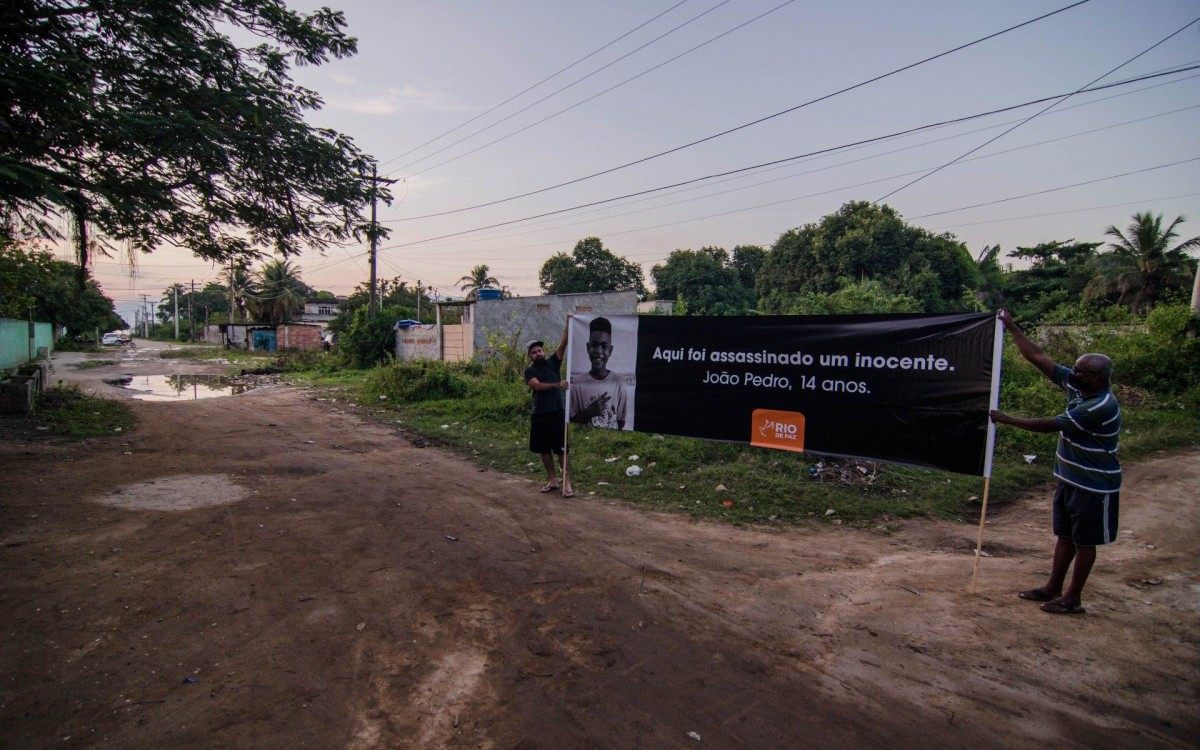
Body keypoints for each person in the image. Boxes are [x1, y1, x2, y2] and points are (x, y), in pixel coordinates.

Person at [990, 309, 1121, 615]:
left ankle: (1073, 597)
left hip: (1094, 484)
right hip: (1070, 478)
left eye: (1080, 370)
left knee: (1085, 541)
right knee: (1066, 535)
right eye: (1074, 368)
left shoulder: (1099, 405)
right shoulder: (1079, 385)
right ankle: (1053, 587)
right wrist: (1011, 326)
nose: (1072, 373)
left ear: (1098, 377)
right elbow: (1037, 357)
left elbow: (1052, 424)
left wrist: (1007, 419)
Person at [524, 325, 574, 497]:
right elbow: (537, 385)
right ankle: (553, 480)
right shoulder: (529, 371)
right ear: (530, 356)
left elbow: (563, 344)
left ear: (543, 352)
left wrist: (569, 324)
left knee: (562, 450)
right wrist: (557, 384)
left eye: (539, 350)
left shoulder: (553, 362)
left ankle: (567, 483)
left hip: (557, 412)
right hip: (539, 414)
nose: (538, 353)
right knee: (544, 450)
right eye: (534, 352)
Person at [570, 316, 630, 429]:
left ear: (610, 351)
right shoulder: (577, 385)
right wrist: (589, 412)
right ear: (588, 348)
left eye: (604, 346)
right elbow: (572, 421)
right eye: (594, 345)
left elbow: (621, 422)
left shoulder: (620, 384)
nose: (599, 351)